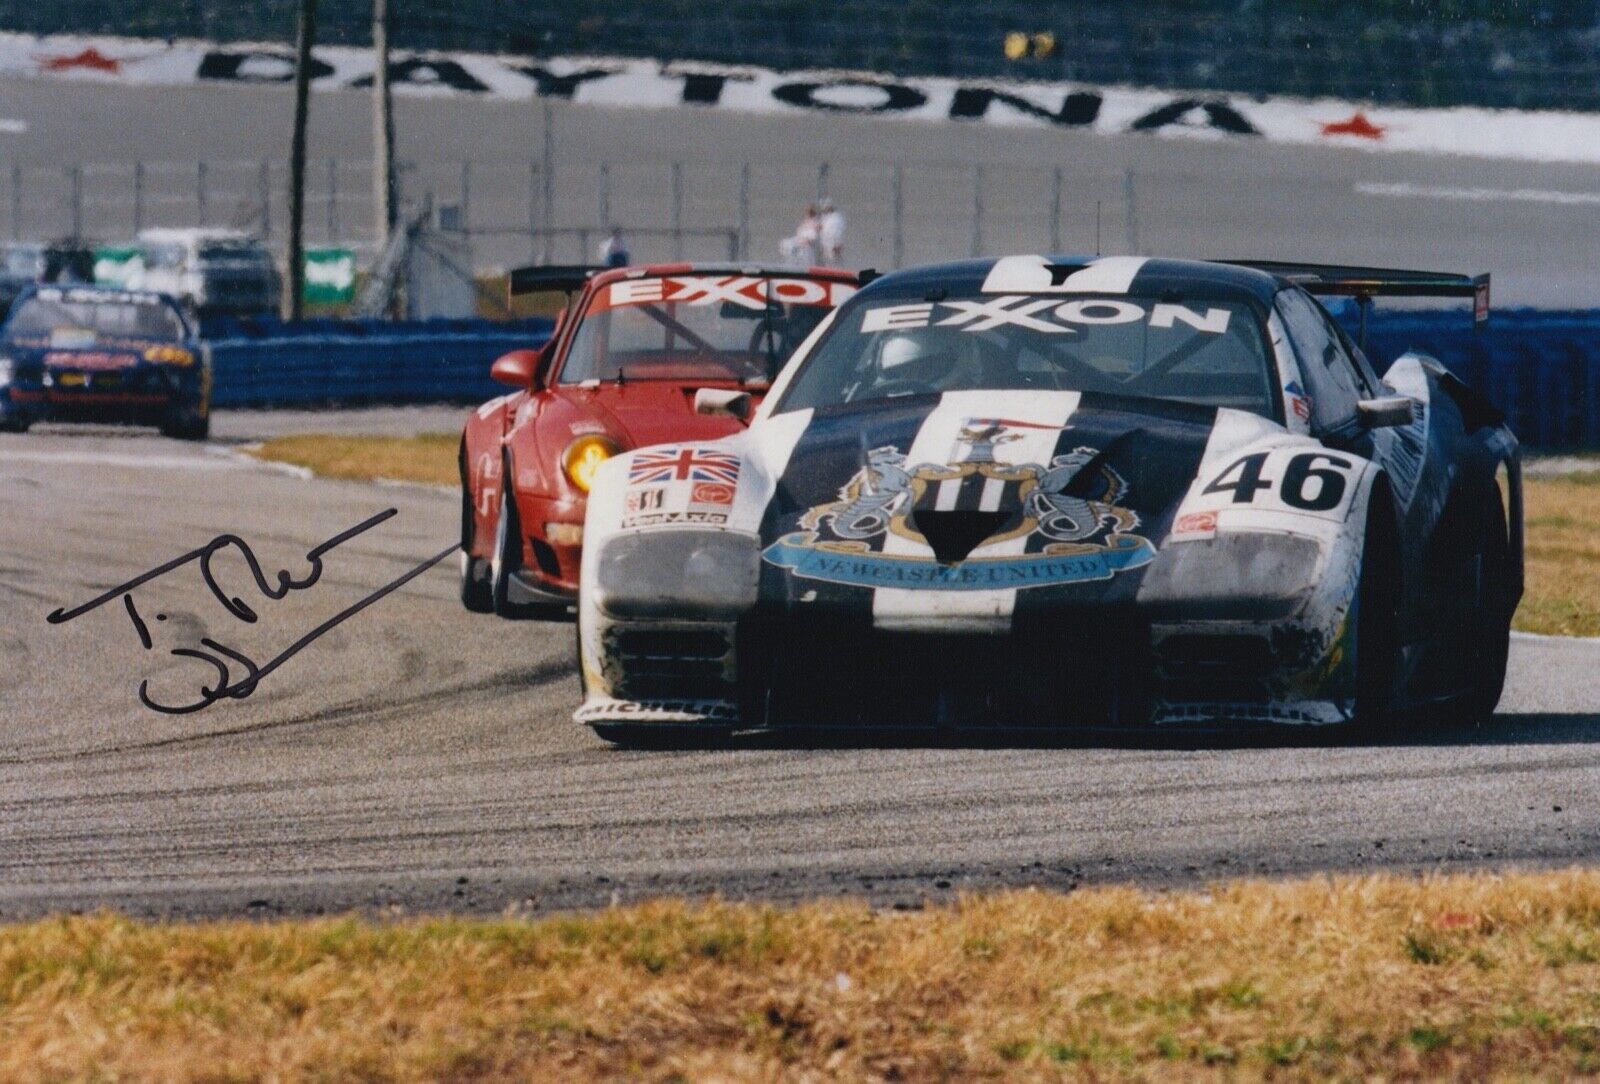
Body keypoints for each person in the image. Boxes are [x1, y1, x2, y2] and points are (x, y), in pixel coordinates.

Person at [818, 197, 846, 264]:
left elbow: (837, 233)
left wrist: (836, 244)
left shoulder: (836, 218)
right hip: (825, 247)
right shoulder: (824, 218)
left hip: (833, 245)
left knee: (835, 262)